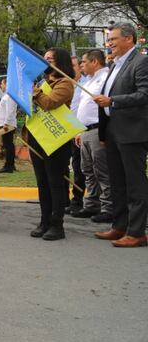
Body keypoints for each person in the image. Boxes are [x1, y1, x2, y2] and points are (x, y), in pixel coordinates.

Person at [92, 22, 148, 247]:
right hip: (113, 130)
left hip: (133, 132)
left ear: (129, 39)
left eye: (113, 39)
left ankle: (137, 232)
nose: (109, 43)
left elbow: (144, 94)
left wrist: (113, 101)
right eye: (108, 39)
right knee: (117, 182)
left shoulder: (141, 62)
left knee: (135, 183)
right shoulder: (114, 65)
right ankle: (119, 226)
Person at [24, 47, 75, 241]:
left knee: (55, 182)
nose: (45, 62)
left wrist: (34, 91)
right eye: (43, 58)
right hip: (38, 137)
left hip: (56, 139)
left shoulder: (65, 83)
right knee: (42, 181)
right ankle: (44, 220)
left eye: (50, 59)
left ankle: (57, 224)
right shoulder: (43, 82)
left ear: (60, 62)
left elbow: (50, 103)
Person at [72, 49, 111, 221]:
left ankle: (108, 207)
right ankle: (92, 204)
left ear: (95, 62)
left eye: (84, 62)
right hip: (85, 131)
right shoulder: (89, 81)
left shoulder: (106, 78)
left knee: (101, 170)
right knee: (87, 170)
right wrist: (80, 130)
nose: (81, 65)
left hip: (98, 130)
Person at [67, 56, 88, 214]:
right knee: (61, 167)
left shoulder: (87, 84)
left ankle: (78, 200)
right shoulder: (63, 84)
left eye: (73, 65)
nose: (71, 68)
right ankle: (63, 199)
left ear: (80, 67)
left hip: (78, 131)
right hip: (61, 131)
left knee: (79, 167)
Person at [0, 78, 18, 173]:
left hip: (7, 124)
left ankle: (9, 165)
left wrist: (6, 123)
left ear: (7, 84)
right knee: (7, 144)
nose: (1, 85)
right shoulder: (7, 95)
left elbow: (10, 111)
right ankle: (10, 164)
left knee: (8, 145)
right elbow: (2, 96)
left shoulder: (10, 96)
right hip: (5, 123)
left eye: (2, 84)